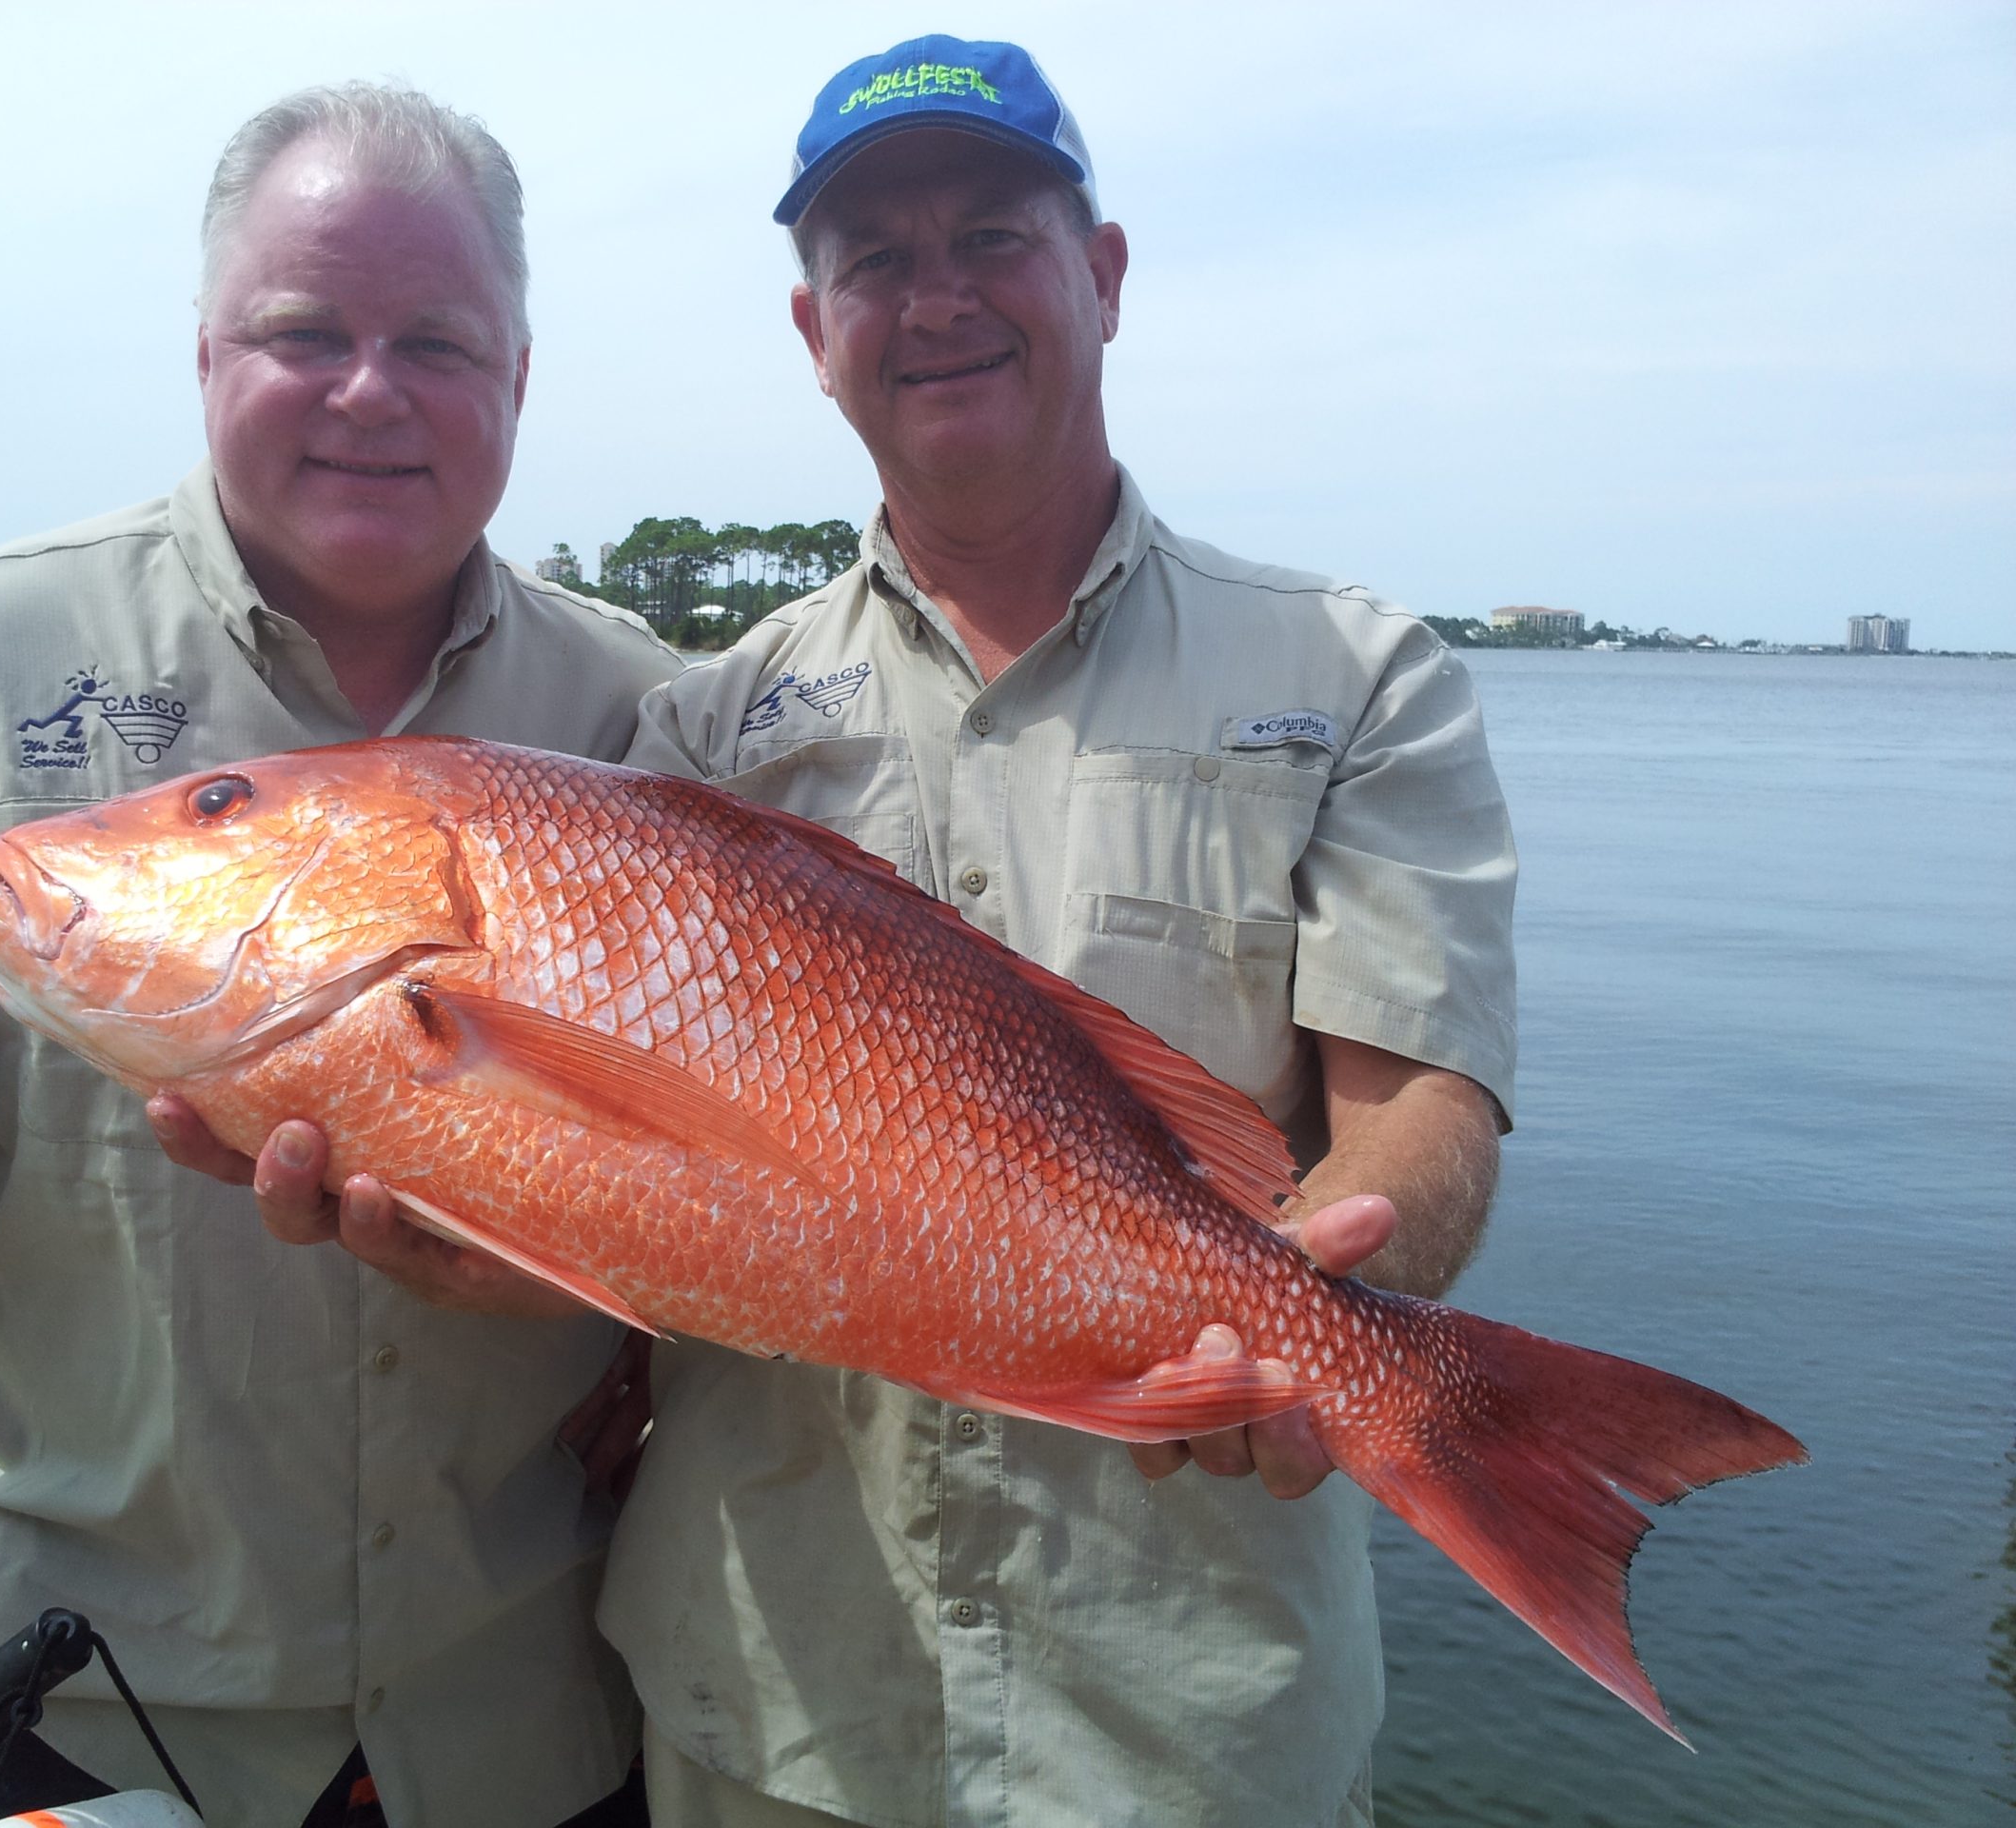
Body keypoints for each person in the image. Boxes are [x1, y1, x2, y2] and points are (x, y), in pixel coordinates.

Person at [186, 32, 1517, 1827]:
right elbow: (648, 1198)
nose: (936, 296)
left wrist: (1334, 1295)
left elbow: (1423, 1102)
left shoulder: (1355, 675)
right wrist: (469, 1224)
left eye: (993, 237)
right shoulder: (695, 729)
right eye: (876, 259)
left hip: (1195, 1727)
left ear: (1104, 277)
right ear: (816, 333)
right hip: (769, 1709)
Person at [0, 82, 678, 1828]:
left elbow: (727, 1144)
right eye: (306, 331)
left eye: (438, 342)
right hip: (86, 1709)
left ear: (519, 376)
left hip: (530, 1703)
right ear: (206, 350)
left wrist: (657, 1341)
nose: (371, 390)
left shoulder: (646, 718)